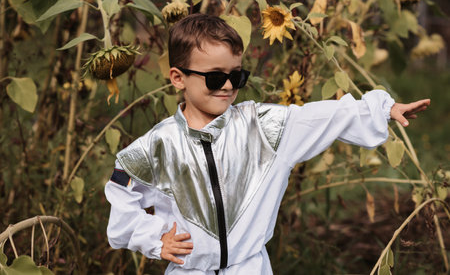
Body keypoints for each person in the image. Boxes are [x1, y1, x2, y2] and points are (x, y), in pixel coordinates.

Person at [105, 14, 430, 275]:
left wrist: (382, 108)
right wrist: (154, 238)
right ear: (178, 78)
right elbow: (121, 196)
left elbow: (323, 116)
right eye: (216, 78)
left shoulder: (264, 129)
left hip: (251, 268)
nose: (229, 86)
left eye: (237, 75)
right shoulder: (158, 145)